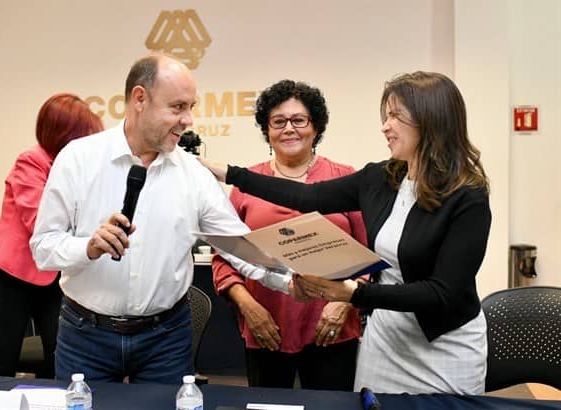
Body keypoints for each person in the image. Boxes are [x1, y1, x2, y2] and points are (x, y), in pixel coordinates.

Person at [200, 71, 491, 395]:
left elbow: (442, 294)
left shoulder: (468, 196)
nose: (385, 126)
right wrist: (228, 173)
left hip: (443, 344)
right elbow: (306, 196)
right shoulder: (383, 178)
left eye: (395, 115)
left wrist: (352, 295)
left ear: (429, 120)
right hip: (387, 339)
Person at [29, 54, 301, 384]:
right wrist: (88, 247)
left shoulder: (193, 175)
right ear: (139, 99)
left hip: (165, 341)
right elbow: (43, 249)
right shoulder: (78, 159)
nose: (188, 120)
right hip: (85, 337)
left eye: (191, 107)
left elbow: (240, 247)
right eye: (177, 107)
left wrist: (293, 279)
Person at [212, 79, 367, 391]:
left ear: (316, 127)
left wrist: (345, 304)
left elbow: (370, 255)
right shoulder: (246, 185)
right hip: (266, 327)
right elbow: (224, 258)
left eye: (299, 120)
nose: (289, 129)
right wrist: (248, 307)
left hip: (332, 327)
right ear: (267, 129)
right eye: (278, 121)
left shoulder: (345, 179)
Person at [0, 93, 103, 377]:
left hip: (53, 278)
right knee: (2, 358)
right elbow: (41, 221)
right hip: (10, 278)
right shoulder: (31, 162)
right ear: (67, 134)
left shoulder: (79, 168)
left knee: (59, 359)